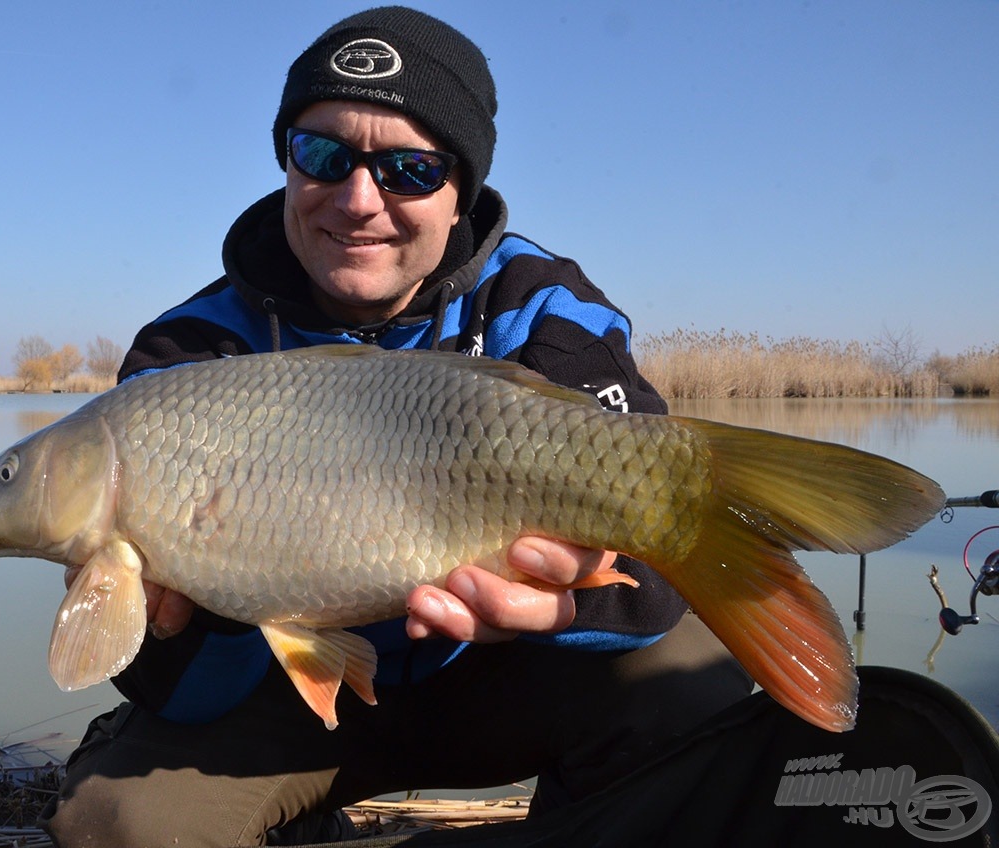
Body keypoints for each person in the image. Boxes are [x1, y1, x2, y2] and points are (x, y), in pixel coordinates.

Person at [39, 7, 752, 846]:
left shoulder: (541, 313)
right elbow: (173, 687)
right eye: (324, 154)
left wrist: (563, 609)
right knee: (115, 824)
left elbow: (661, 581)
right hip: (282, 704)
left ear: (463, 191)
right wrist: (216, 596)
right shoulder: (189, 354)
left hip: (507, 677)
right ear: (286, 163)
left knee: (694, 692)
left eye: (410, 168)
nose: (358, 199)